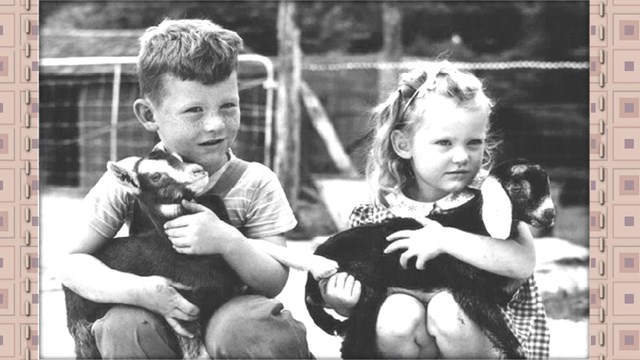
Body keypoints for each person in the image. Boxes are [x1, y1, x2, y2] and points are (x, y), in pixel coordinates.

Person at [60, 18, 312, 359]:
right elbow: (71, 264)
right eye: (194, 110)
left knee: (250, 327)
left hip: (230, 307)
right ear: (149, 114)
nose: (215, 124)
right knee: (124, 325)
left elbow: (272, 282)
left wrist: (228, 241)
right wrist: (141, 291)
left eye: (228, 105)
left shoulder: (256, 181)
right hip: (159, 309)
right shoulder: (131, 179)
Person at [319, 62, 550, 359]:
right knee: (395, 315)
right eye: (444, 143)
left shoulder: (492, 202)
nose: (461, 156)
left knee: (448, 310)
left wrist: (446, 240)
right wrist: (343, 301)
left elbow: (522, 263)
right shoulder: (376, 214)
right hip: (410, 342)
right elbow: (358, 289)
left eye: (473, 143)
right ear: (404, 145)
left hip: (482, 340)